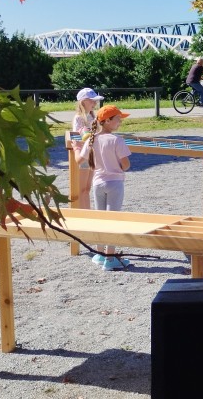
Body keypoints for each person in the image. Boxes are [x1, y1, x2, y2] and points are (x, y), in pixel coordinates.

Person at [77, 105, 132, 271]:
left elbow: (80, 161)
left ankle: (100, 254)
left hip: (98, 183)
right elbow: (126, 165)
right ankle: (110, 258)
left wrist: (76, 148)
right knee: (113, 220)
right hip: (114, 183)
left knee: (100, 219)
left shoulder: (91, 140)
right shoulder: (117, 140)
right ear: (107, 121)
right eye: (117, 119)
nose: (120, 122)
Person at [71, 87, 104, 209]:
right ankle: (83, 213)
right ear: (83, 101)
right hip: (84, 155)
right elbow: (77, 137)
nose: (94, 103)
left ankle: (87, 213)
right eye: (92, 101)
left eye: (95, 101)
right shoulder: (79, 118)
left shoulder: (92, 117)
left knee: (87, 189)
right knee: (82, 189)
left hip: (92, 155)